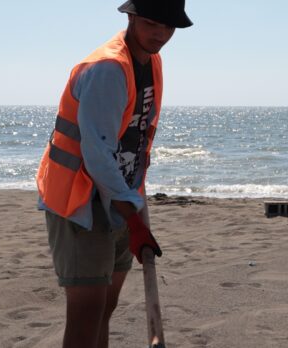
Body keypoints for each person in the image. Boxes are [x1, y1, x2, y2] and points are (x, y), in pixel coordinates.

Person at [35, 1, 192, 347]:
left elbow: (135, 138)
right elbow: (97, 156)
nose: (160, 35)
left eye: (169, 27)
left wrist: (134, 201)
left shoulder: (151, 61)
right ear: (131, 17)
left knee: (105, 307)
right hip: (80, 201)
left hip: (120, 199)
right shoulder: (108, 69)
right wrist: (134, 222)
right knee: (87, 310)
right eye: (152, 23)